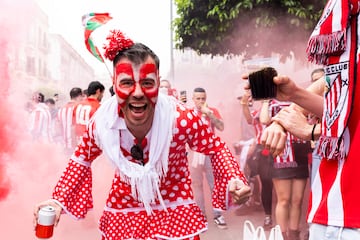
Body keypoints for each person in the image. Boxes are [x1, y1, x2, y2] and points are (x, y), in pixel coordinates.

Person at [33, 28, 251, 240]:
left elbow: (215, 147)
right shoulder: (101, 124)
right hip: (123, 212)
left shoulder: (180, 118)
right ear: (114, 85)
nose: (137, 93)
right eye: (127, 83)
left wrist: (233, 178)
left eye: (147, 83)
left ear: (157, 83)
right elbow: (80, 159)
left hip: (174, 211)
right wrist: (57, 200)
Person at [254, 1, 360, 239]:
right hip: (329, 207)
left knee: (294, 198)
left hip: (354, 214)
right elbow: (344, 106)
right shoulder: (346, 21)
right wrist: (293, 99)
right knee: (285, 199)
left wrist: (313, 131)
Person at [259, 98, 311, 240]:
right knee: (284, 199)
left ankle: (294, 234)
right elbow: (264, 120)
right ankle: (282, 236)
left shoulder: (298, 100)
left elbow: (310, 116)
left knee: (297, 199)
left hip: (299, 151)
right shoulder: (270, 102)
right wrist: (265, 102)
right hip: (280, 152)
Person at [188, 87, 228, 229]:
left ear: (206, 99)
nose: (200, 101)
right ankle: (200, 215)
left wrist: (210, 115)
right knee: (197, 185)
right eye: (197, 98)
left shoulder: (212, 110)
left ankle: (218, 215)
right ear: (193, 99)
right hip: (194, 154)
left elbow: (221, 127)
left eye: (203, 98)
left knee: (214, 184)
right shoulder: (189, 113)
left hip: (210, 153)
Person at [239, 91, 274, 230]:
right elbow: (249, 120)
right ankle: (268, 216)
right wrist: (244, 104)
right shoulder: (260, 111)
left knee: (281, 186)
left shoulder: (282, 108)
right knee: (266, 183)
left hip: (280, 148)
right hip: (263, 149)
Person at [57, 87, 83, 154]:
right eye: (82, 96)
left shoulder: (61, 110)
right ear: (79, 96)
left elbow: (58, 127)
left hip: (65, 146)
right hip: (77, 147)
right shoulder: (79, 109)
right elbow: (74, 127)